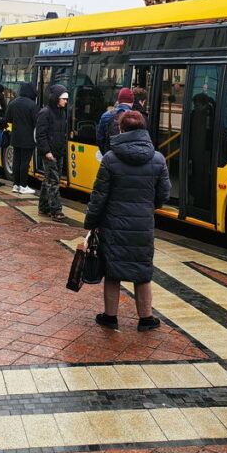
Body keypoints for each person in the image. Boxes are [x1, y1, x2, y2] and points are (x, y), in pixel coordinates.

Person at [83, 111, 170, 332]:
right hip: (142, 225)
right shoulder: (158, 159)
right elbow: (164, 194)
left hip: (114, 224)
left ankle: (110, 317)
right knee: (142, 272)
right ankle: (146, 318)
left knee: (113, 271)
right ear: (143, 130)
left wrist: (91, 221)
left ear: (121, 129)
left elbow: (99, 195)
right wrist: (148, 207)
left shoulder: (111, 159)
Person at [35, 84, 69, 220]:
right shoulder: (45, 113)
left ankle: (43, 207)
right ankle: (56, 210)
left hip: (58, 152)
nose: (66, 101)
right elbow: (40, 135)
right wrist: (47, 151)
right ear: (56, 99)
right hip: (50, 153)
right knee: (53, 181)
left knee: (48, 180)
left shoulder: (61, 112)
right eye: (63, 99)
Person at [4, 82, 39, 195]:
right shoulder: (32, 105)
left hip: (15, 137)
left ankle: (16, 185)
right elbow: (36, 121)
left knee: (16, 161)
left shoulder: (13, 103)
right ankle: (23, 185)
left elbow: (8, 118)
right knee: (25, 162)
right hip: (28, 138)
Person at [96, 87, 134, 155]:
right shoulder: (136, 117)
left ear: (118, 101)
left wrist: (106, 154)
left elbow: (100, 139)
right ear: (132, 102)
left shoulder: (106, 115)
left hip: (110, 157)